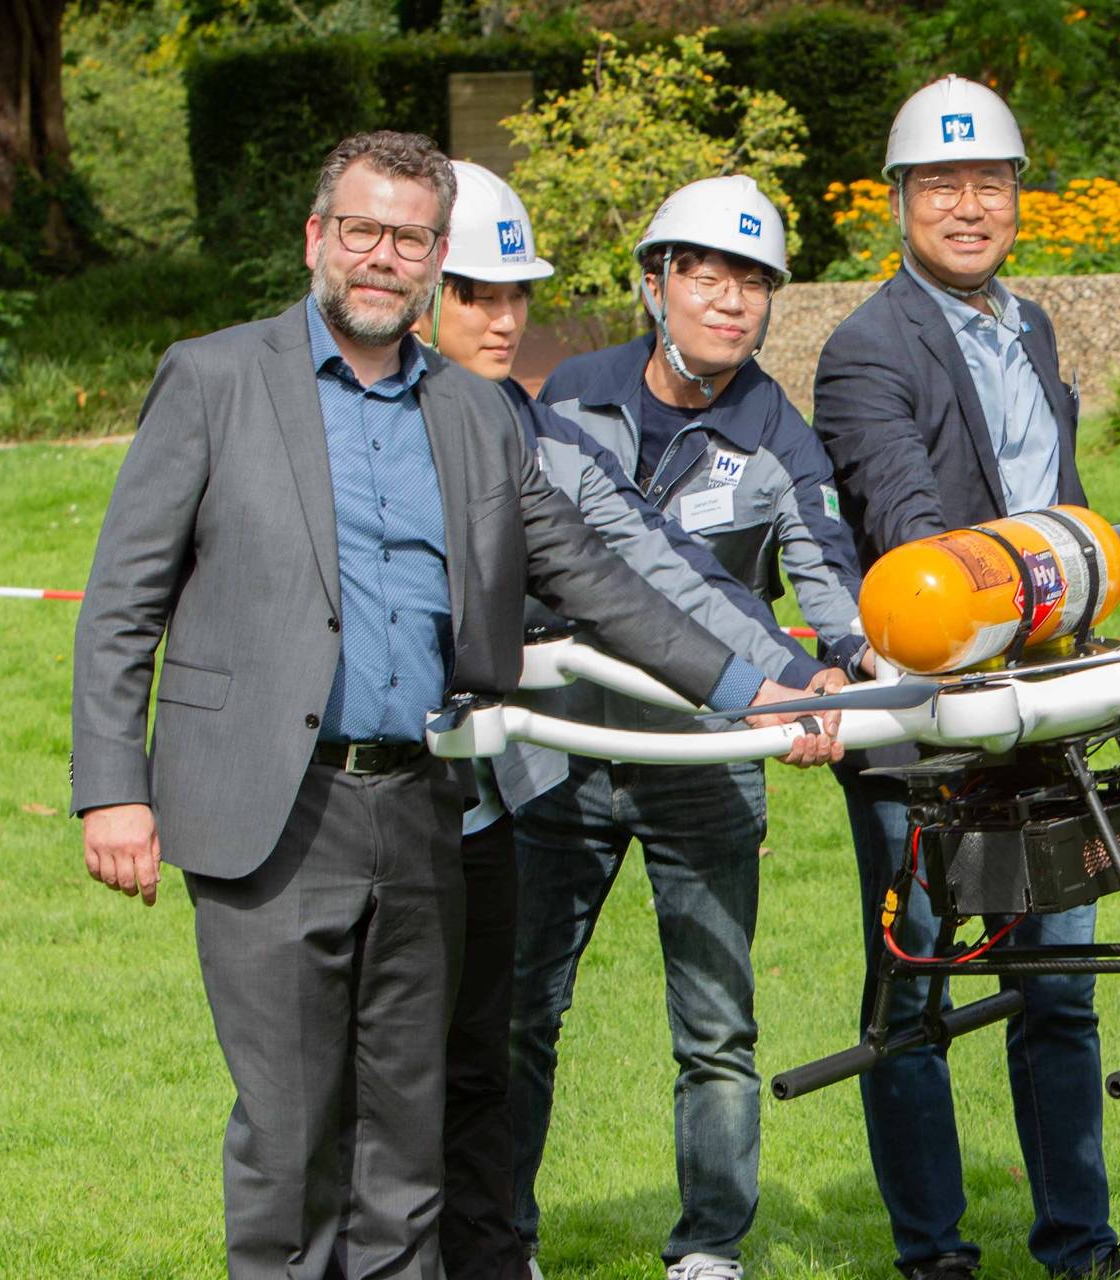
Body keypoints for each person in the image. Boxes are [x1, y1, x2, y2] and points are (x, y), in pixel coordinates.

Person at [69, 130, 830, 1280]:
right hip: (274, 809)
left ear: (433, 261)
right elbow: (124, 599)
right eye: (364, 231)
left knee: (406, 1140)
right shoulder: (216, 377)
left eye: (412, 239)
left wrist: (750, 686)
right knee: (288, 1137)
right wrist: (114, 789)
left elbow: (592, 573)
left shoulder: (472, 413)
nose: (384, 258)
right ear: (319, 238)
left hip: (423, 809)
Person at [417, 162, 844, 1280]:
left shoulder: (753, 437)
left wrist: (812, 677)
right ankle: (494, 1237)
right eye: (708, 274)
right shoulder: (565, 398)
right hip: (550, 753)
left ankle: (706, 1247)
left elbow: (666, 575)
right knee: (509, 1015)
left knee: (714, 1024)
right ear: (656, 283)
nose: (730, 300)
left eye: (755, 280)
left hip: (697, 750)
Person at [811, 75, 1120, 1280]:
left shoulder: (1032, 327)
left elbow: (1057, 498)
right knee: (917, 994)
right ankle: (934, 1255)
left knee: (1059, 983)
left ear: (1018, 199)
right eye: (942, 186)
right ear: (900, 201)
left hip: (1043, 707)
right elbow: (912, 533)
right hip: (925, 721)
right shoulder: (865, 351)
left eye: (990, 184)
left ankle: (1080, 1242)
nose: (969, 207)